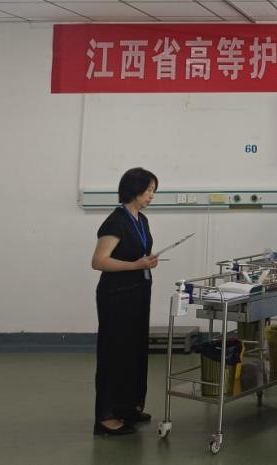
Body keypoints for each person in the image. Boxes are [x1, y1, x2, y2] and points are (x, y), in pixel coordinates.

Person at [90, 167, 160, 436]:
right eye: (149, 190)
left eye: (153, 190)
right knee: (115, 352)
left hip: (138, 293)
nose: (151, 195)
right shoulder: (115, 221)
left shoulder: (141, 220)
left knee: (135, 351)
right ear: (134, 190)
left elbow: (137, 254)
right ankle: (106, 416)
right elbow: (99, 261)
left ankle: (129, 406)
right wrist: (135, 265)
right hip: (116, 296)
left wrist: (147, 261)